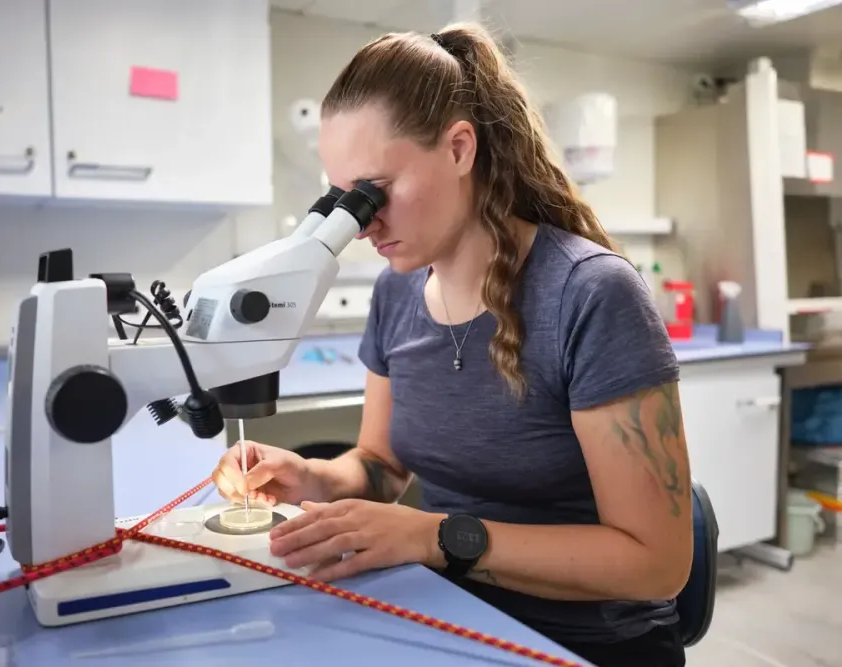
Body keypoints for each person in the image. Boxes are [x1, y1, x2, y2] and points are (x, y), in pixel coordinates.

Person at [212, 21, 692, 667]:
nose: (362, 226)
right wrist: (310, 478)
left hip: (587, 643)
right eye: (345, 201)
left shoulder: (591, 294)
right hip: (446, 615)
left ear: (460, 149)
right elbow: (380, 468)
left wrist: (436, 537)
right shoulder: (396, 293)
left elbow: (657, 564)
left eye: (374, 192)